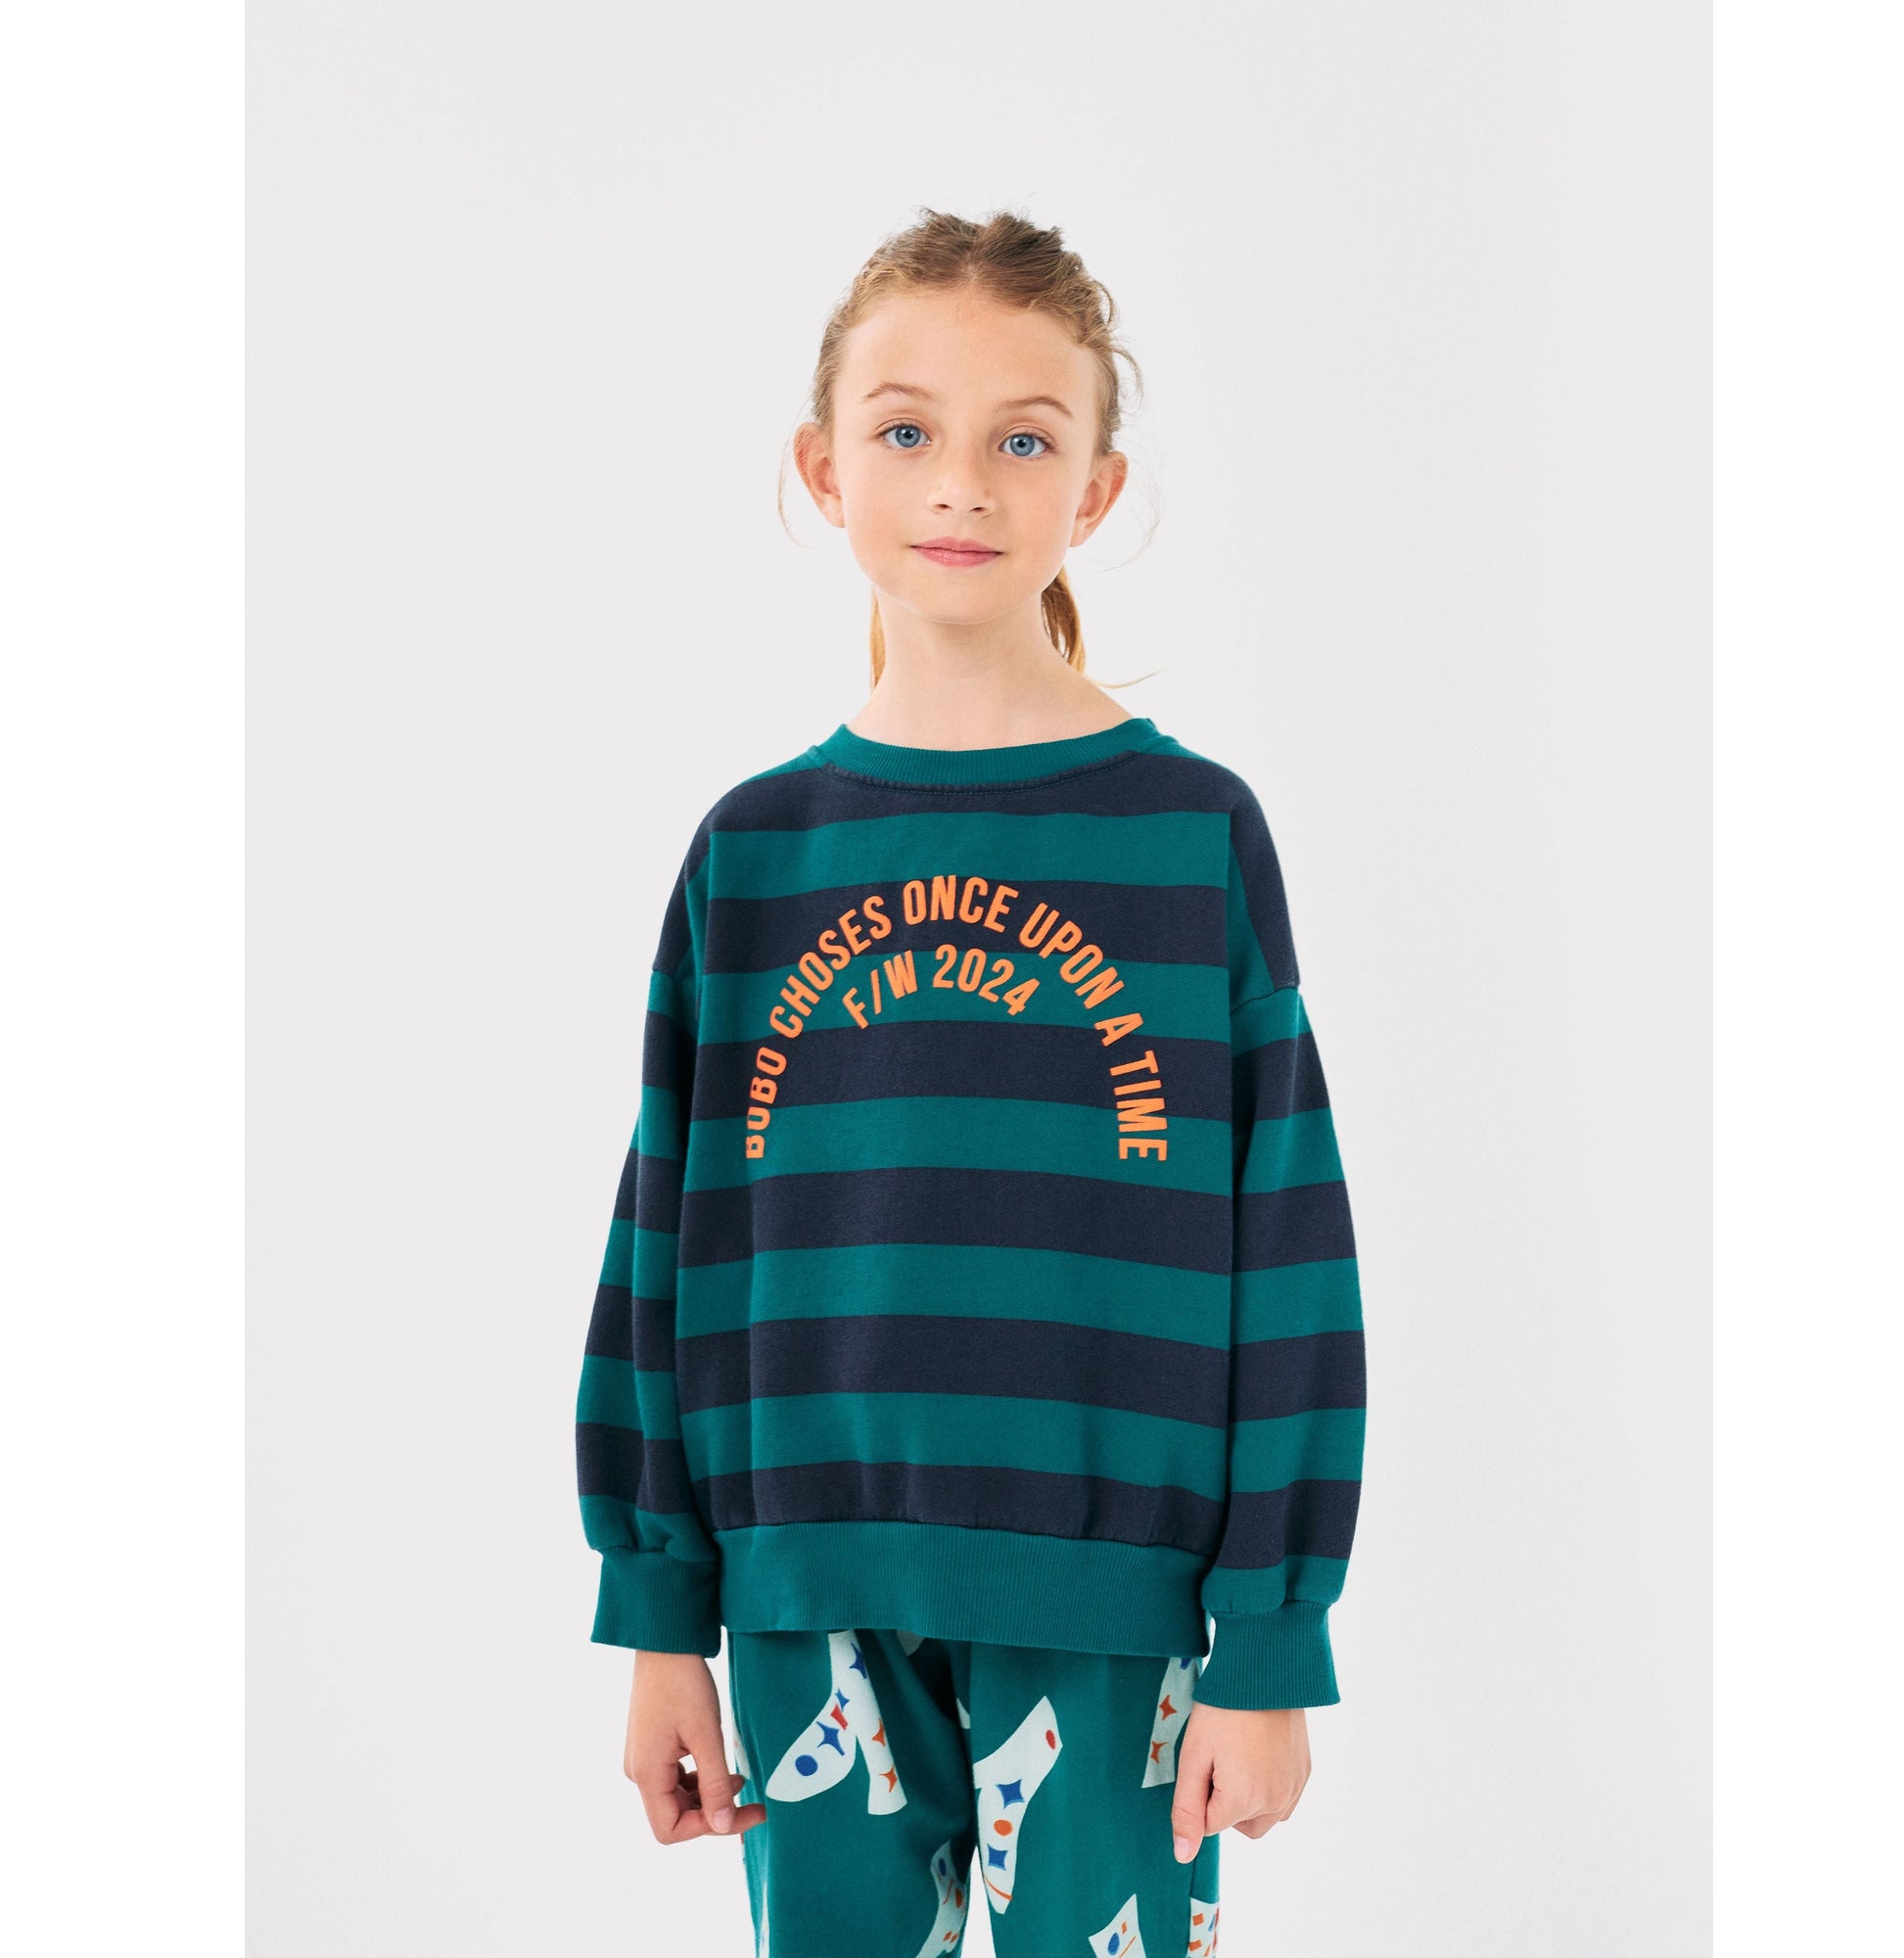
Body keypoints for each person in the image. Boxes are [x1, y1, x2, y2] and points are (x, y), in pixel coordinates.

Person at [573, 207, 1368, 1957]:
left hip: (1112, 1605)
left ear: (1096, 487)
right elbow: (663, 1251)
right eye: (906, 430)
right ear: (822, 468)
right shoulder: (752, 854)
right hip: (807, 1594)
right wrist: (659, 1615)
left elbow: (1291, 1242)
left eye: (1024, 440)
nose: (961, 484)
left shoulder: (1192, 838)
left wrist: (1272, 1641)